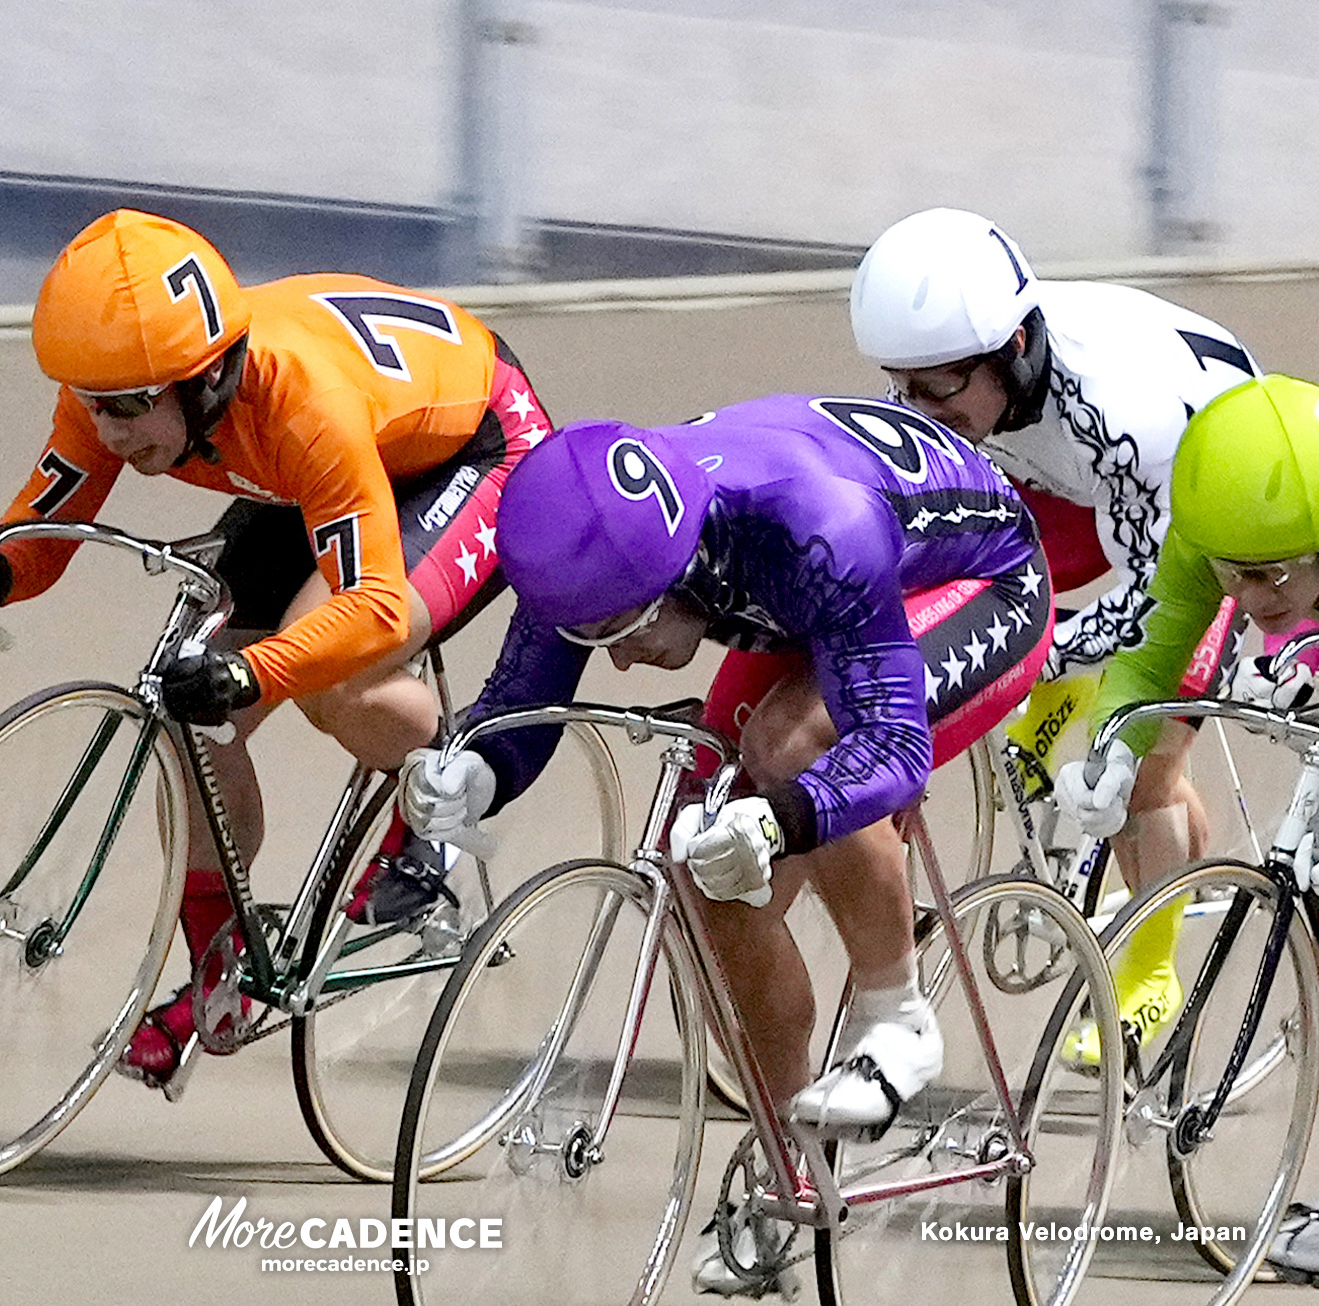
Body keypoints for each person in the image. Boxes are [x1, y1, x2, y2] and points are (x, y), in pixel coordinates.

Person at [398, 395, 1052, 1293]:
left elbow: (893, 744)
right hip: (805, 599)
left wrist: (785, 815)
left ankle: (897, 1017)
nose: (615, 659)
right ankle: (791, 1161)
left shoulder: (814, 528)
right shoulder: (598, 532)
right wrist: (479, 766)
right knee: (701, 868)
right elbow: (531, 679)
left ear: (675, 575)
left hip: (968, 576)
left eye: (622, 632)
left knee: (795, 748)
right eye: (596, 633)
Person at [0, 209, 553, 1088]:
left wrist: (256, 670)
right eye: (93, 405)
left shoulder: (299, 401)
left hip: (474, 450)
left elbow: (369, 609)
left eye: (131, 410)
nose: (109, 434)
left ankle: (440, 810)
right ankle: (219, 973)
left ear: (206, 378)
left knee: (336, 678)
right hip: (311, 468)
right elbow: (50, 520)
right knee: (187, 711)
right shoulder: (125, 377)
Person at [850, 207, 1262, 1065]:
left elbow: (1156, 604)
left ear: (1017, 347)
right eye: (903, 382)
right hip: (1072, 483)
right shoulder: (981, 379)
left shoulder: (1119, 412)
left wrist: (1040, 653)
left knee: (1135, 755)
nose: (916, 407)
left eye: (939, 387)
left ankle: (1149, 976)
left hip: (1203, 499)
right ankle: (1162, 830)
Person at [1048, 375, 1319, 1283]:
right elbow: (1158, 649)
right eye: (1228, 573)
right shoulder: (1212, 532)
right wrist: (1114, 749)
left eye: (1269, 574)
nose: (1242, 596)